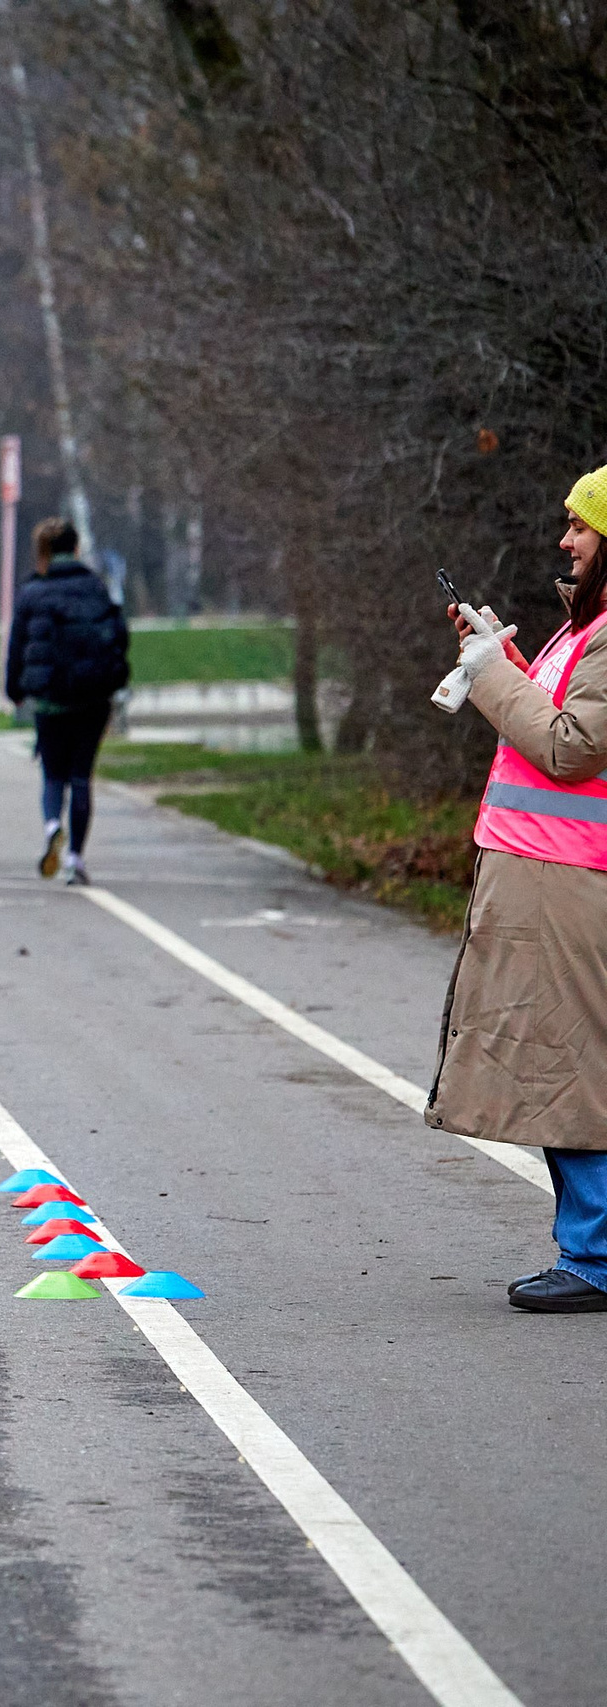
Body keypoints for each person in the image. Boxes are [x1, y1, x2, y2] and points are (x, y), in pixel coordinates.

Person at [427, 464, 607, 1312]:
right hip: (543, 875)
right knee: (559, 1063)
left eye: (581, 525)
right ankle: (589, 1249)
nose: (565, 539)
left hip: (569, 883)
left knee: (572, 1067)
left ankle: (595, 1258)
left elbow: (571, 748)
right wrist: (499, 653)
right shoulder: (587, 628)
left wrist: (493, 671)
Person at [4, 516, 131, 885]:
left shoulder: (32, 593)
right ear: (76, 548)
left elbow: (17, 647)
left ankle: (51, 827)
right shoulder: (96, 588)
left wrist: (15, 691)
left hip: (50, 700)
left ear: (42, 551)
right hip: (93, 699)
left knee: (53, 775)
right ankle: (75, 858)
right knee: (81, 778)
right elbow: (118, 637)